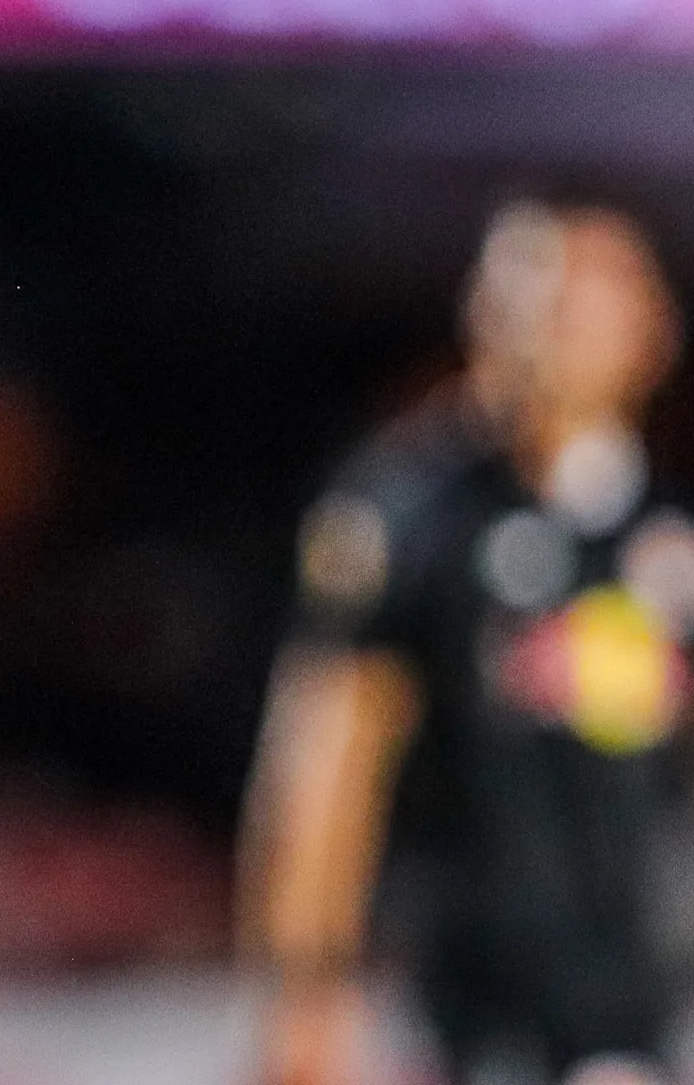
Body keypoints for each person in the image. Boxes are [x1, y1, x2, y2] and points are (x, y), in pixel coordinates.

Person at [241, 201, 692, 1085]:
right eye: (535, 298)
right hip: (475, 996)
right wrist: (302, 984)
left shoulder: (663, 534)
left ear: (654, 332)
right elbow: (328, 762)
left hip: (641, 989)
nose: (553, 328)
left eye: (590, 302)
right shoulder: (410, 514)